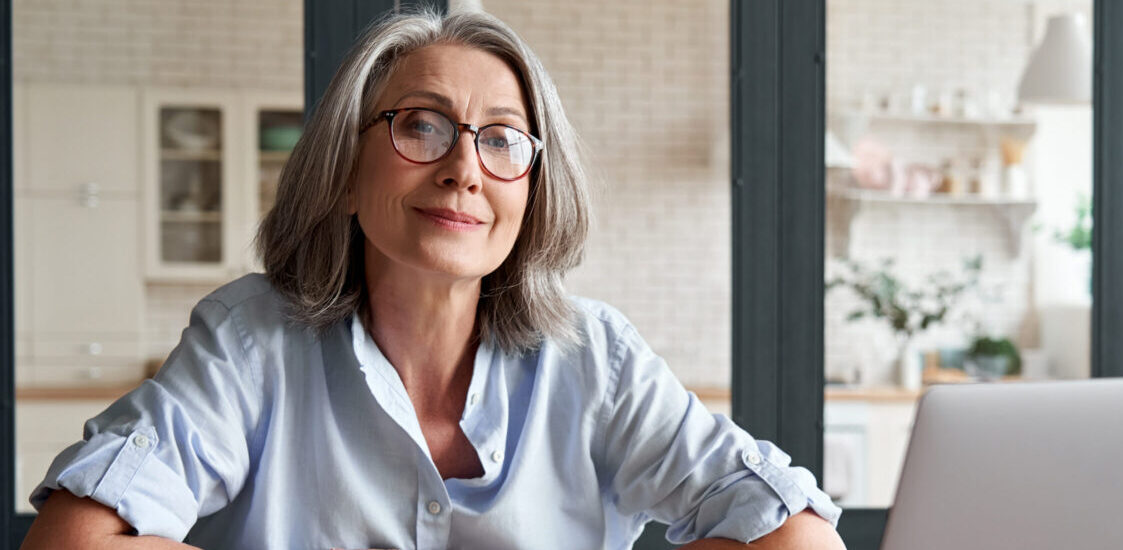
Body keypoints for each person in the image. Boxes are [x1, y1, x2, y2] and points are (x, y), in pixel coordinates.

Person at [20, 9, 844, 550]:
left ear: (532, 188)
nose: (464, 168)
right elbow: (72, 539)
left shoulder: (595, 357)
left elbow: (800, 535)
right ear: (346, 170)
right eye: (422, 125)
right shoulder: (251, 338)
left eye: (503, 139)